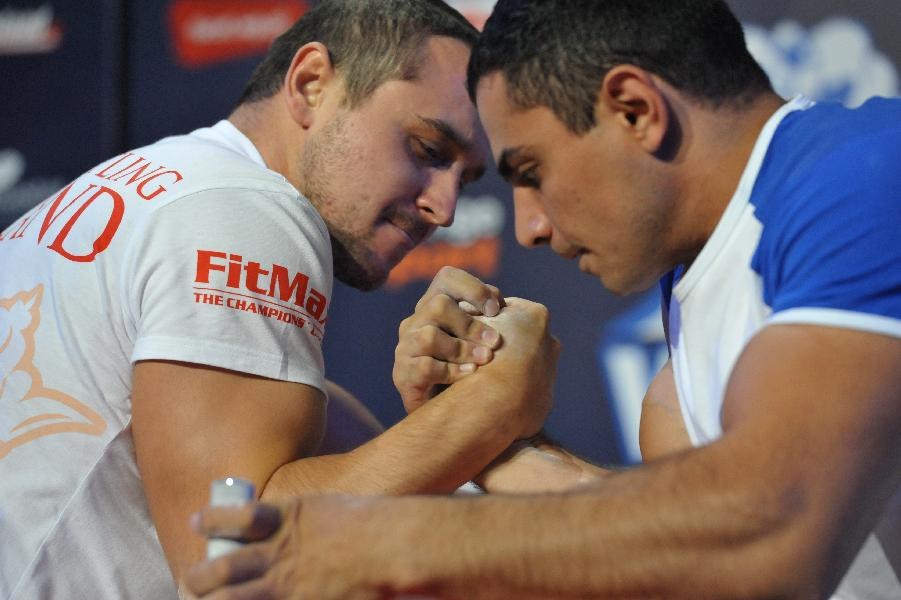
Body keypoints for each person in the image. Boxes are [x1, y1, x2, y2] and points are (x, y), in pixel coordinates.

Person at [184, 0, 901, 598]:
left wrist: (385, 542)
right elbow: (685, 547)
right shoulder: (699, 291)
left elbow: (774, 529)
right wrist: (494, 442)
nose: (526, 226)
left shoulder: (864, 173)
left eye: (529, 171)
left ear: (634, 109)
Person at [0, 1, 560, 597]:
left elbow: (342, 476)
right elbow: (225, 564)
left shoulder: (168, 183)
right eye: (426, 149)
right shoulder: (246, 206)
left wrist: (459, 423)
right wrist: (488, 409)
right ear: (311, 83)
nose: (443, 208)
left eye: (464, 180)